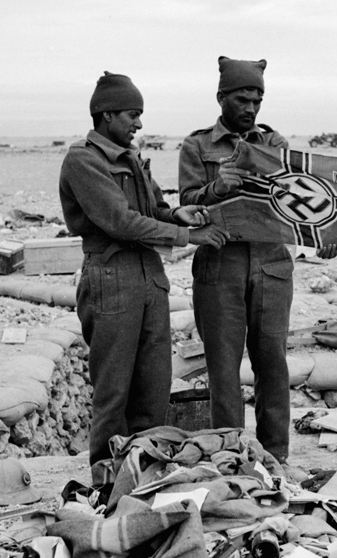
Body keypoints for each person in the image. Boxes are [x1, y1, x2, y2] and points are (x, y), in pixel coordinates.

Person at [59, 71, 229, 484]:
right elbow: (120, 221)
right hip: (111, 276)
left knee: (154, 388)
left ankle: (146, 476)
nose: (138, 124)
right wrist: (187, 235)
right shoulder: (83, 160)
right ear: (106, 115)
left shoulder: (131, 156)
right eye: (132, 115)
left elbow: (152, 206)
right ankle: (105, 483)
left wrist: (176, 214)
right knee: (113, 392)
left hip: (149, 277)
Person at [179, 57, 337, 466]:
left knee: (272, 364)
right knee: (223, 370)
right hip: (220, 265)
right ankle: (232, 458)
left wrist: (329, 235)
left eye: (258, 99)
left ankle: (275, 459)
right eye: (243, 99)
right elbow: (186, 204)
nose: (251, 107)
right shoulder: (197, 146)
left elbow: (303, 199)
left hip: (270, 265)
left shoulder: (275, 145)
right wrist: (216, 188)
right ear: (221, 98)